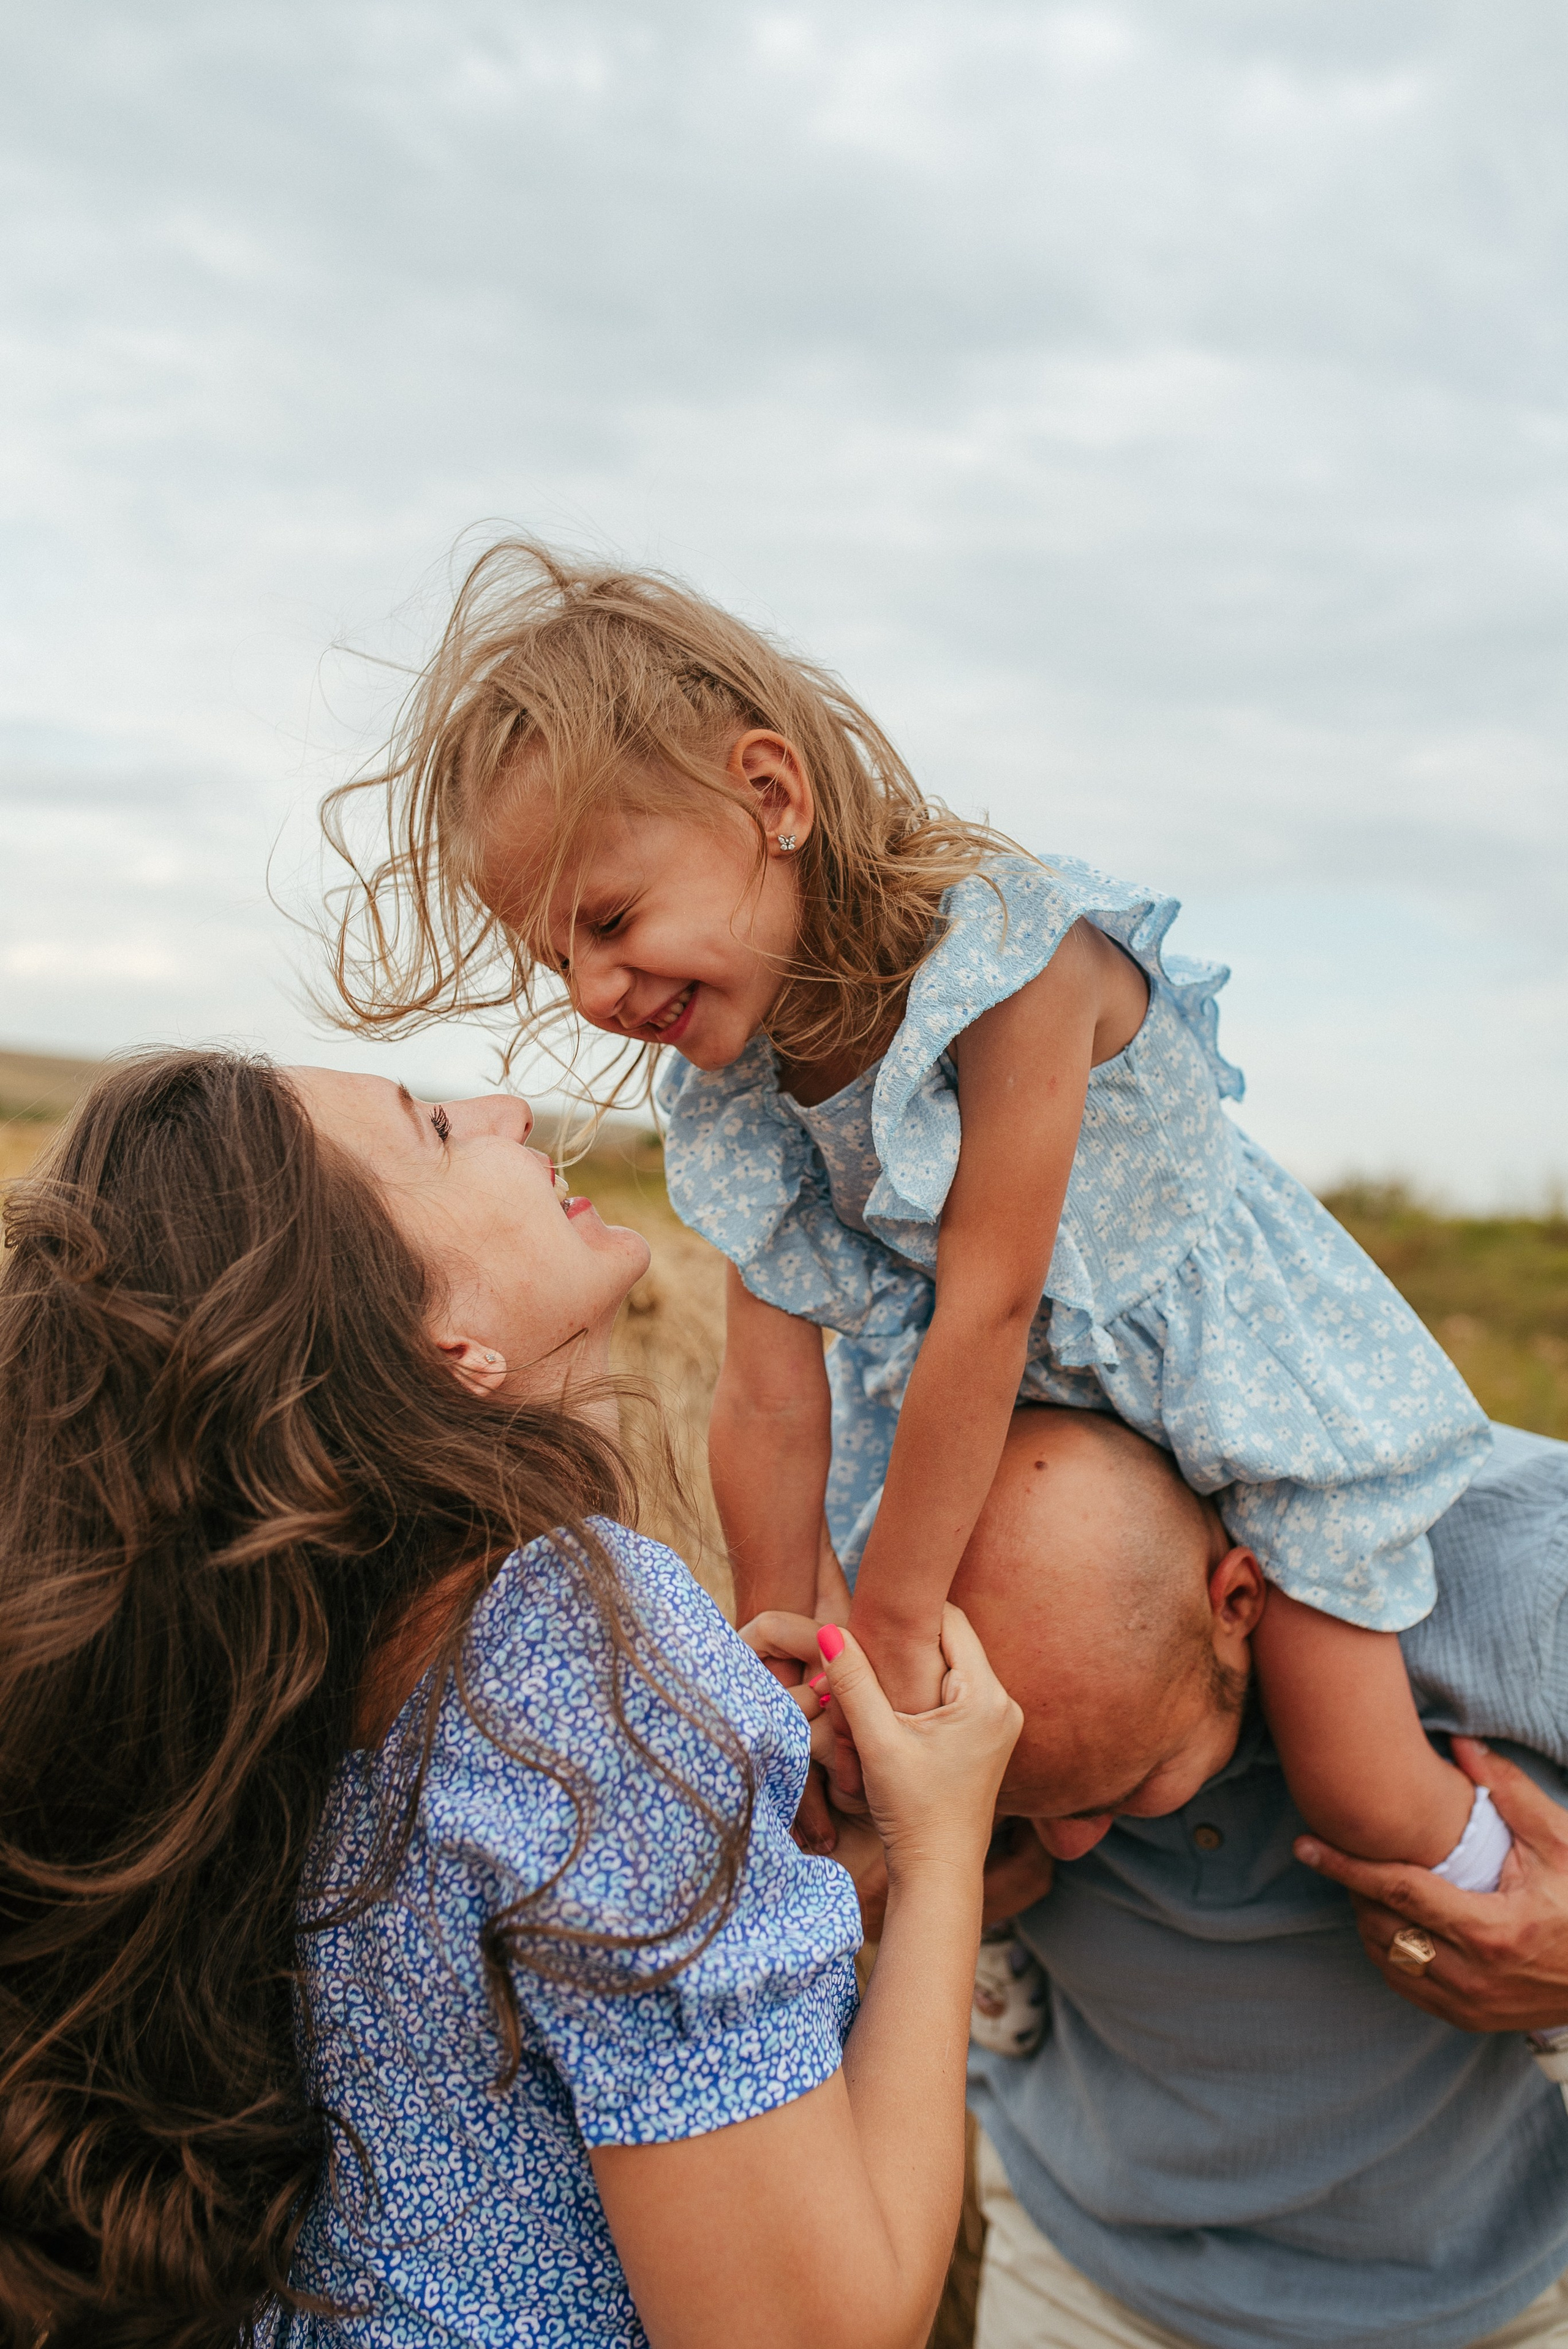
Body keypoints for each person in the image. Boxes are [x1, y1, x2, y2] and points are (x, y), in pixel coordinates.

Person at [320, 536, 1498, 1920]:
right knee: (975, 1824)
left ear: (769, 794)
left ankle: (1519, 1910)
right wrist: (787, 1651)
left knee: (1359, 1781)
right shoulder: (739, 1090)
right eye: (553, 955)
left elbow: (989, 1307)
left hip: (1222, 1383)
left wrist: (885, 1616)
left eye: (611, 917)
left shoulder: (1011, 960)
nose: (589, 988)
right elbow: (766, 1401)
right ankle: (985, 1975)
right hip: (1025, 1446)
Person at [0, 1046, 1020, 2349]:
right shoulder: (574, 1647)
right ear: (443, 1340)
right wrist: (944, 1856)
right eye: (431, 1129)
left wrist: (727, 1826)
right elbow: (813, 2331)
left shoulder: (298, 1650)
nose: (506, 1110)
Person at [818, 1402, 1568, 2349]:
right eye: (1023, 1806)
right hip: (1081, 2284)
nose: (1069, 1847)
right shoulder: (877, 1575)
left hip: (1495, 2301)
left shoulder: (1537, 1568)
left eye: (1128, 1787)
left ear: (1235, 1603)